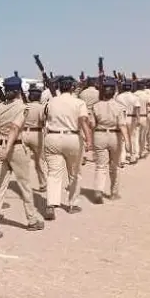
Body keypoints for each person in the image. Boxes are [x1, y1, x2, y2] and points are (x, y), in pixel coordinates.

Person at [0, 76, 44, 239]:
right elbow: (15, 128)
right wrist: (7, 148)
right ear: (18, 91)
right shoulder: (22, 107)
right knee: (25, 186)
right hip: (15, 147)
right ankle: (32, 220)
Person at [43, 76, 93, 221]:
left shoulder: (50, 102)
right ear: (72, 87)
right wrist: (89, 139)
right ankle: (73, 204)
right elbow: (83, 121)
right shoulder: (79, 102)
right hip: (72, 138)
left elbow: (45, 119)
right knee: (74, 173)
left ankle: (51, 203)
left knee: (53, 173)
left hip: (52, 137)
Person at [92, 77, 132, 203]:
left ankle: (99, 190)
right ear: (114, 91)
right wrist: (127, 141)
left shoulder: (96, 106)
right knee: (114, 166)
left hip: (100, 135)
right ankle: (114, 193)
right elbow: (122, 125)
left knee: (100, 166)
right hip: (115, 136)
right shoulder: (119, 107)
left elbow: (92, 124)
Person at [22, 84, 47, 192]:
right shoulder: (41, 107)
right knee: (39, 161)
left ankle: (24, 185)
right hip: (37, 133)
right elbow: (43, 121)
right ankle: (43, 183)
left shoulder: (24, 106)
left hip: (24, 133)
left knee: (23, 161)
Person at [114, 79, 140, 165]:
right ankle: (133, 156)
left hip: (122, 118)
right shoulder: (134, 97)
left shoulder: (118, 97)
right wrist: (138, 119)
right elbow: (137, 108)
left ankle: (122, 159)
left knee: (122, 139)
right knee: (132, 138)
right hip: (132, 118)